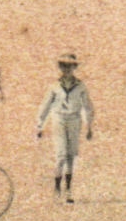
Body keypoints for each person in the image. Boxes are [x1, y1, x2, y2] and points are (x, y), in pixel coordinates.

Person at [37, 53, 95, 203]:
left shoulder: (80, 86)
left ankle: (68, 190)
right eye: (64, 65)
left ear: (74, 67)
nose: (67, 69)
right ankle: (57, 189)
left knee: (71, 156)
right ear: (60, 67)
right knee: (61, 155)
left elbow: (88, 106)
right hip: (59, 119)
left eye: (70, 65)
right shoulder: (55, 86)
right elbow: (45, 105)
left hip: (75, 120)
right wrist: (40, 125)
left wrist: (89, 126)